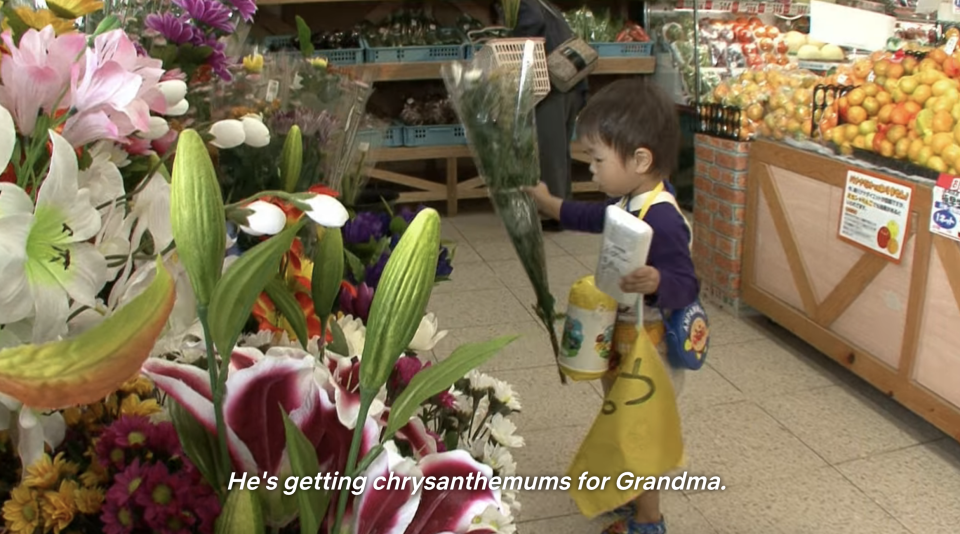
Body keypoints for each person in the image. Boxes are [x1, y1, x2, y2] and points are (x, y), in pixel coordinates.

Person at [524, 78, 699, 534]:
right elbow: (592, 216)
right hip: (625, 340)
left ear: (641, 159)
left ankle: (648, 520)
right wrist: (551, 203)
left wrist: (659, 280)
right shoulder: (629, 199)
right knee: (622, 423)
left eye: (598, 160)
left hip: (653, 350)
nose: (592, 172)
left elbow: (687, 283)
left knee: (637, 432)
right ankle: (628, 495)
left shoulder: (661, 217)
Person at [493, 0, 588, 231]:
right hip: (569, 81)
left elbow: (531, 24)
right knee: (560, 149)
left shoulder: (521, 3)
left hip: (551, 86)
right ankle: (563, 207)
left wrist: (510, 39)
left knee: (549, 150)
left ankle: (551, 215)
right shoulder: (544, 3)